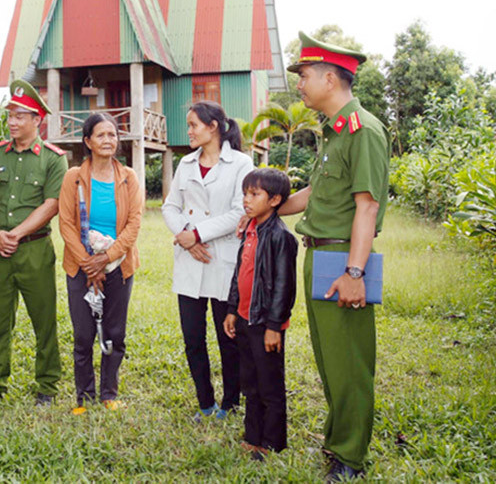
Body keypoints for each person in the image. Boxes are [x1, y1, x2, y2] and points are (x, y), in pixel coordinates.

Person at [277, 31, 390, 480]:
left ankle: (351, 459)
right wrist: (270, 207)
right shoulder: (335, 133)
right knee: (330, 361)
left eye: (303, 76)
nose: (299, 85)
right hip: (318, 255)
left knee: (350, 364)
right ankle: (339, 441)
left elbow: (368, 206)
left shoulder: (364, 131)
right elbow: (316, 193)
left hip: (343, 259)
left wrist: (355, 272)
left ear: (329, 77)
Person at [0, 79, 68, 407]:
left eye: (20, 115)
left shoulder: (54, 159)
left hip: (35, 249)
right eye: (10, 115)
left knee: (43, 319)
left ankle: (47, 385)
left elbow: (52, 203)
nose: (12, 121)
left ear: (38, 120)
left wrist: (17, 233)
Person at [162, 101, 254, 422]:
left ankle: (230, 403)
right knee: (192, 338)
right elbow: (170, 207)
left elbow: (239, 211)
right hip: (190, 260)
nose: (188, 131)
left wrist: (197, 235)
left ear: (213, 126)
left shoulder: (241, 163)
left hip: (221, 260)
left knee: (227, 337)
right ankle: (205, 403)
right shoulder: (186, 164)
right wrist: (187, 235)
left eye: (193, 125)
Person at [58, 113, 143, 414]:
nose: (108, 140)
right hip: (80, 267)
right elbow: (66, 224)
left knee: (114, 332)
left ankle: (109, 393)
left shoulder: (128, 177)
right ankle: (84, 396)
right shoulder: (73, 177)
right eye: (101, 135)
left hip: (119, 265)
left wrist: (106, 259)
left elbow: (134, 223)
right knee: (83, 334)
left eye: (112, 135)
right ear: (87, 142)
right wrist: (88, 264)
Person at [223, 168, 297, 459]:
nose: (246, 200)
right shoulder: (249, 231)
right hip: (244, 319)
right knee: (249, 382)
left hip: (266, 324)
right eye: (245, 194)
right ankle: (252, 436)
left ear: (275, 199)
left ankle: (272, 442)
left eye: (254, 194)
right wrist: (231, 310)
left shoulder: (281, 237)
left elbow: (283, 286)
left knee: (270, 385)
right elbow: (238, 273)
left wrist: (274, 326)